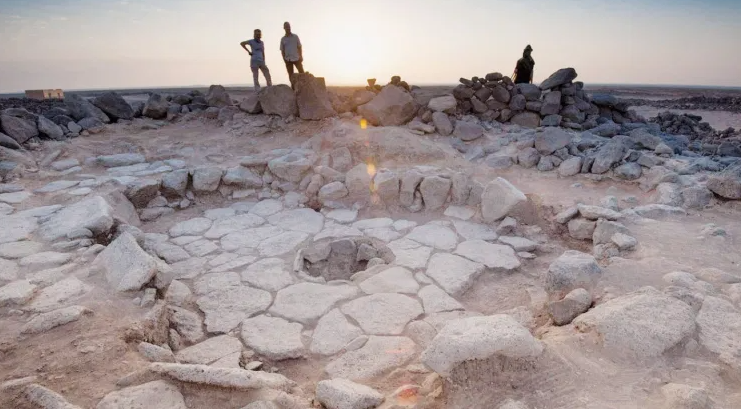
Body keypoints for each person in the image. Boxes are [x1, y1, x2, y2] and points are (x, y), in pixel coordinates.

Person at [280, 22, 303, 87]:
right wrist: (284, 59)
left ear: (290, 27)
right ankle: (293, 88)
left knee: (302, 73)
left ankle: (304, 88)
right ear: (284, 28)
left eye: (289, 26)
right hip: (288, 59)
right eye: (286, 26)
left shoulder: (295, 36)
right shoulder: (283, 39)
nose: (288, 28)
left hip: (297, 58)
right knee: (291, 75)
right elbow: (282, 50)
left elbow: (299, 47)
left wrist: (301, 56)